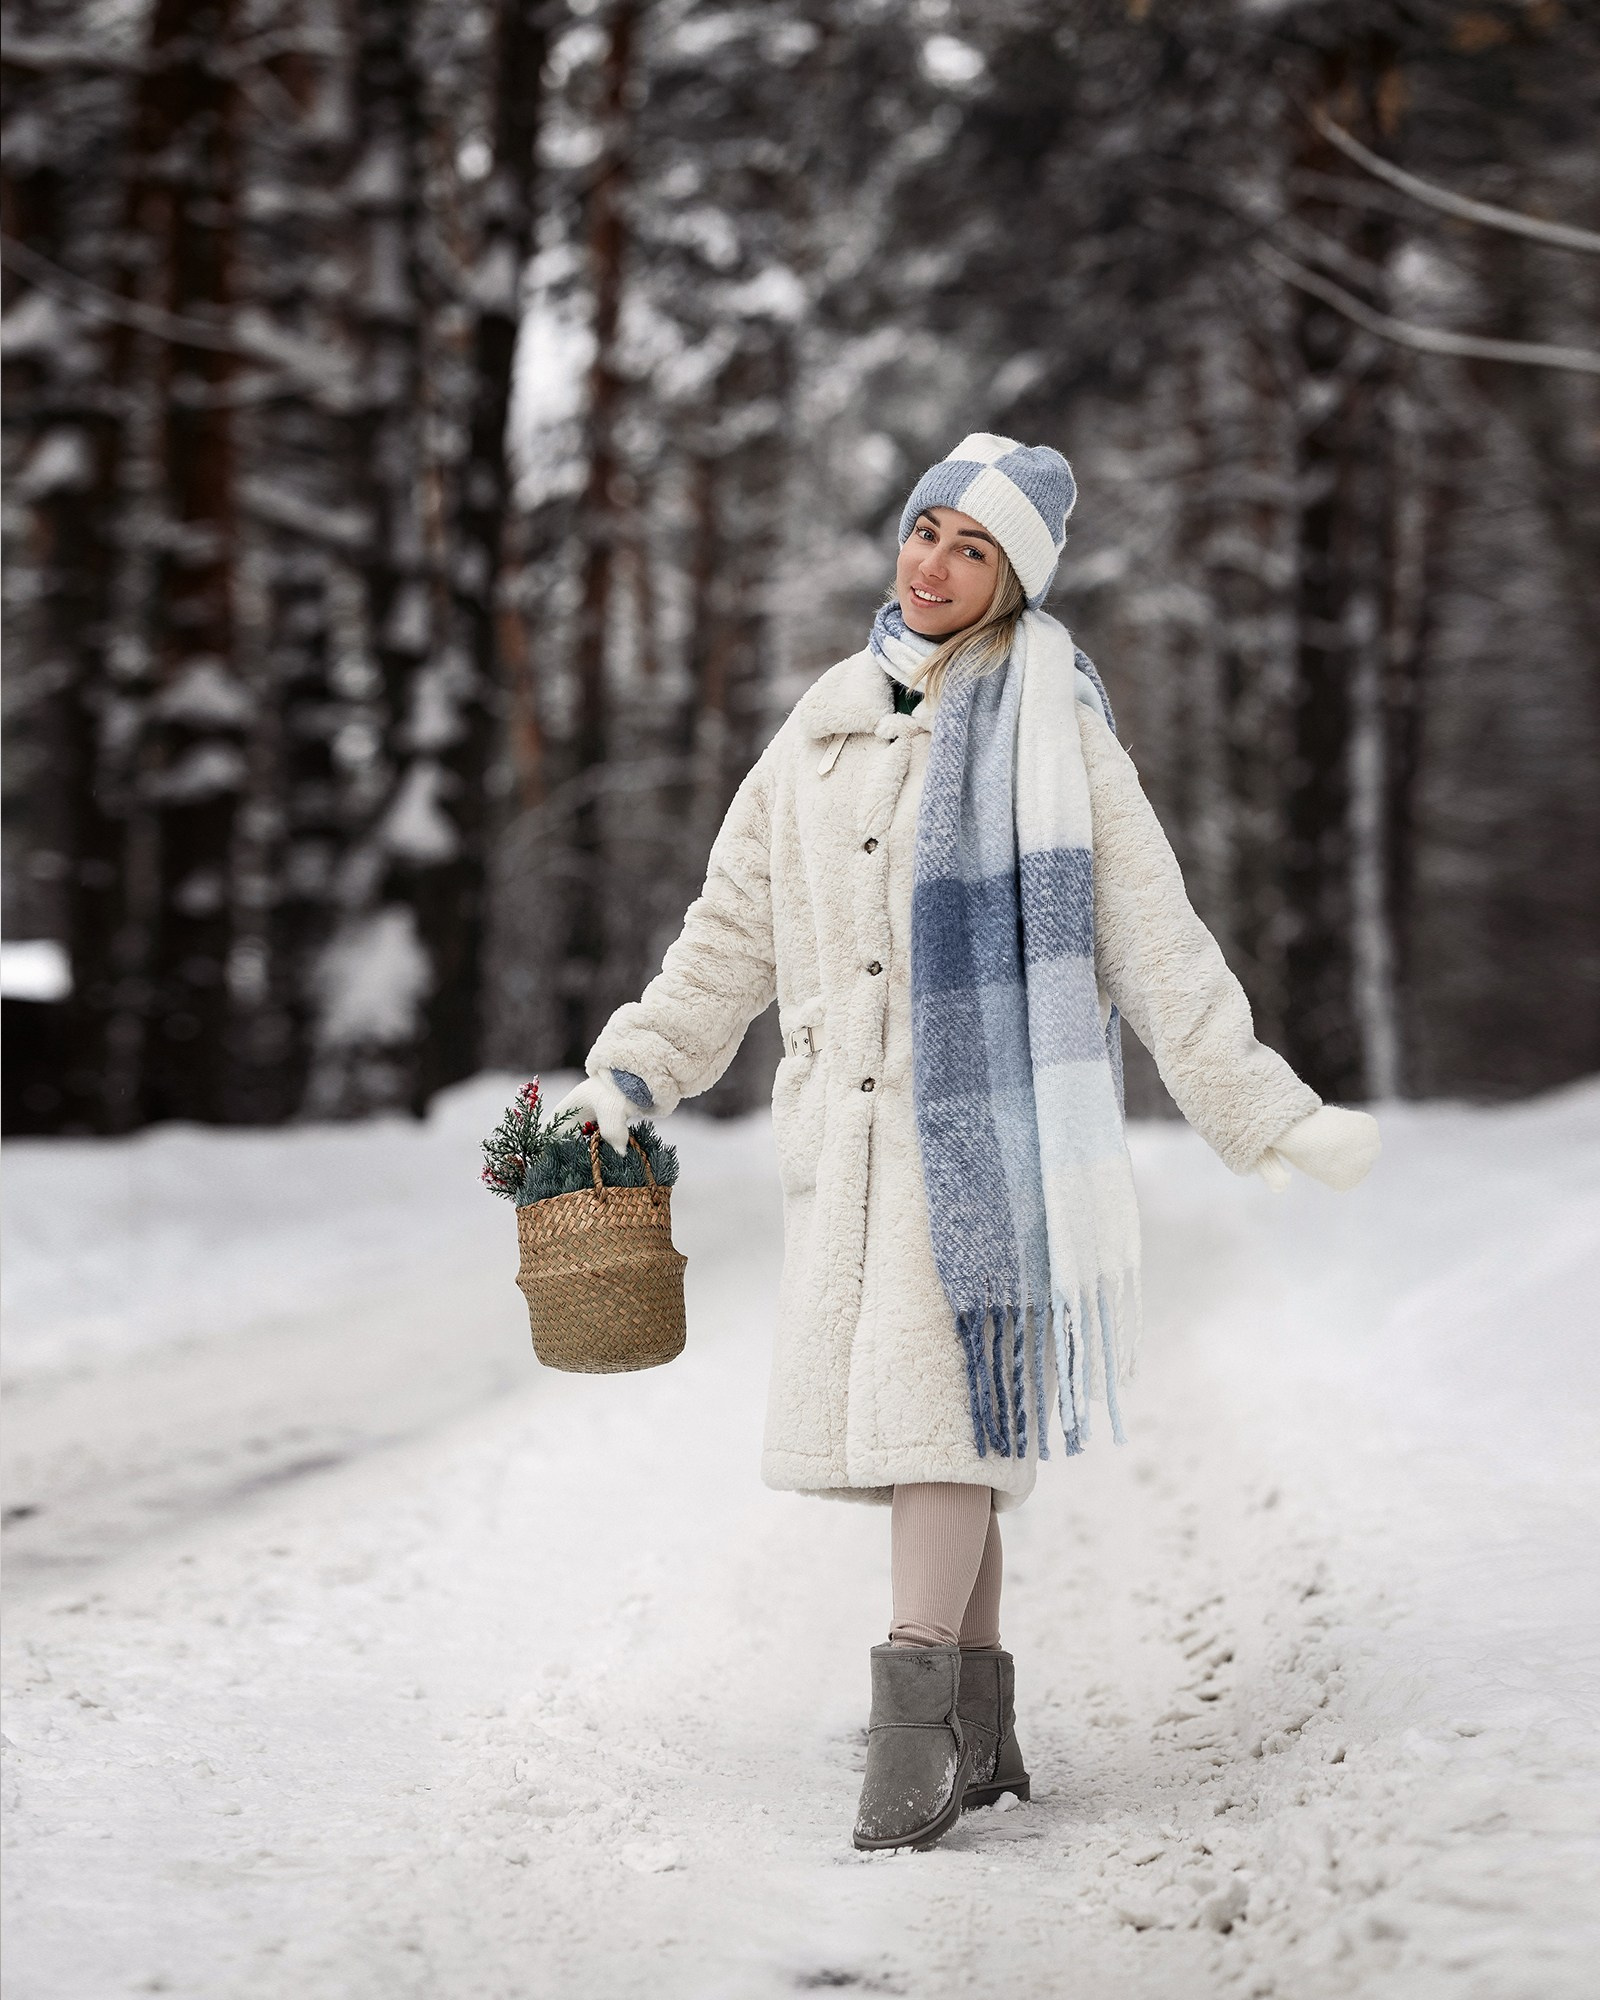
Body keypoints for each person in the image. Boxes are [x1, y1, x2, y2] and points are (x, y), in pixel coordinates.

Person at [556, 433, 1379, 1853]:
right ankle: (981, 1726)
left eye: (973, 548)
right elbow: (728, 936)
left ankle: (914, 1720)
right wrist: (637, 1070)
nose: (934, 566)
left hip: (987, 1127)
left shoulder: (1055, 731)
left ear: (1017, 579)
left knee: (941, 1409)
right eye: (926, 531)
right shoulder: (815, 732)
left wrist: (1256, 1104)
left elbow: (1153, 935)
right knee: (953, 1416)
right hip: (846, 1138)